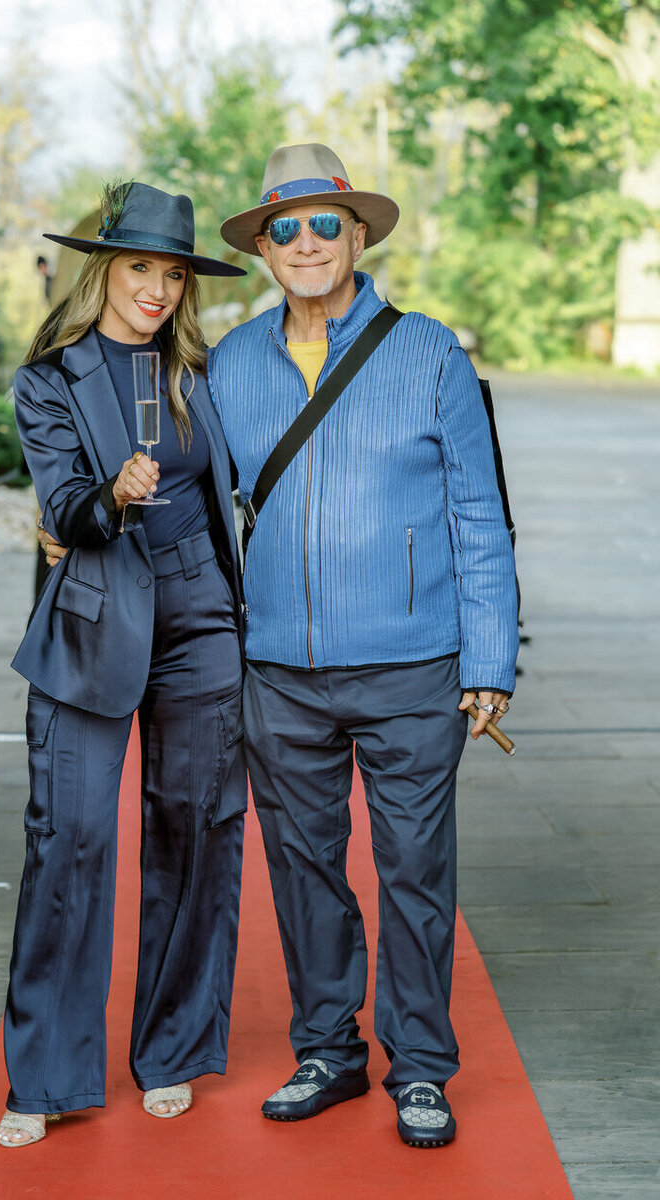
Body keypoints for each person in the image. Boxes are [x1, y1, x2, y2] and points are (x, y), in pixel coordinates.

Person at [207, 143, 519, 1147]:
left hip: (411, 665)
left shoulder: (426, 351)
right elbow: (201, 516)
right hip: (278, 675)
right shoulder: (231, 363)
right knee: (302, 868)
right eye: (283, 228)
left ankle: (419, 1067)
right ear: (262, 247)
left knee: (415, 869)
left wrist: (488, 662)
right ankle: (327, 1051)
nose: (305, 242)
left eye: (323, 223)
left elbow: (478, 513)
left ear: (358, 233)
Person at [0, 180, 247, 1148]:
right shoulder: (50, 377)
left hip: (202, 620)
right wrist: (106, 496)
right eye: (140, 268)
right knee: (71, 841)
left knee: (196, 830)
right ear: (106, 268)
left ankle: (174, 1048)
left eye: (173, 275)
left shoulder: (205, 370)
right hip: (97, 612)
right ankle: (48, 1072)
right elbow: (62, 509)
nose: (156, 289)